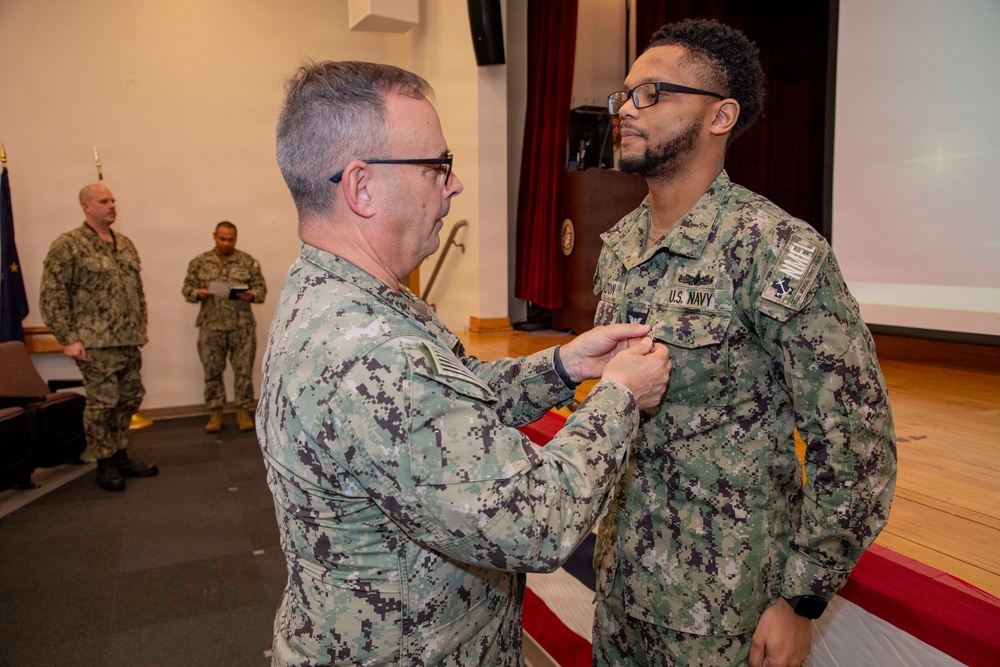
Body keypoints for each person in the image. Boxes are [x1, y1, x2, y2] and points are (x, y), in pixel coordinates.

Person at [259, 60, 672, 666]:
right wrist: (618, 396)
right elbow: (537, 521)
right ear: (361, 187)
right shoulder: (370, 350)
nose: (453, 186)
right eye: (436, 167)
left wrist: (561, 366)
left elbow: (450, 404)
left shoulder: (342, 296)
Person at [592, 18, 897, 667]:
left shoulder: (775, 249)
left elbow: (855, 441)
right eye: (625, 95)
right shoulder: (618, 246)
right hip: (620, 591)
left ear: (721, 115)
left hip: (720, 615)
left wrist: (800, 599)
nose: (627, 110)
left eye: (654, 94)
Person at [40, 184, 158, 492]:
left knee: (129, 398)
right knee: (102, 403)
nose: (111, 205)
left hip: (127, 339)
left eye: (113, 200)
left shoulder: (125, 244)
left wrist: (140, 326)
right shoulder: (69, 245)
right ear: (86, 207)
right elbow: (52, 295)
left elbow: (136, 290)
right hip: (94, 343)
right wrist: (68, 338)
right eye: (104, 201)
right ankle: (104, 462)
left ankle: (120, 455)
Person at [182, 221, 267, 432]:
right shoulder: (199, 262)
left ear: (236, 239)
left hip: (242, 326)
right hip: (211, 325)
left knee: (243, 371)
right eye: (223, 239)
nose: (227, 243)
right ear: (214, 236)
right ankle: (215, 412)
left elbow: (261, 290)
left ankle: (243, 411)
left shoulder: (247, 262)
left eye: (231, 239)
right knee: (212, 370)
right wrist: (197, 293)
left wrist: (251, 295)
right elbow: (187, 289)